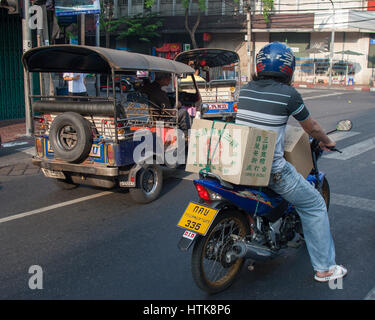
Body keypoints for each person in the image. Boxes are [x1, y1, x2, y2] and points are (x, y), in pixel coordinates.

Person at [236, 42, 347, 283]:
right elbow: (312, 127)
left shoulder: (244, 90)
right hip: (271, 170)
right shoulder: (289, 94)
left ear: (259, 65)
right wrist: (326, 141)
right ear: (289, 68)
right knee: (315, 204)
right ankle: (325, 269)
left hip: (239, 163)